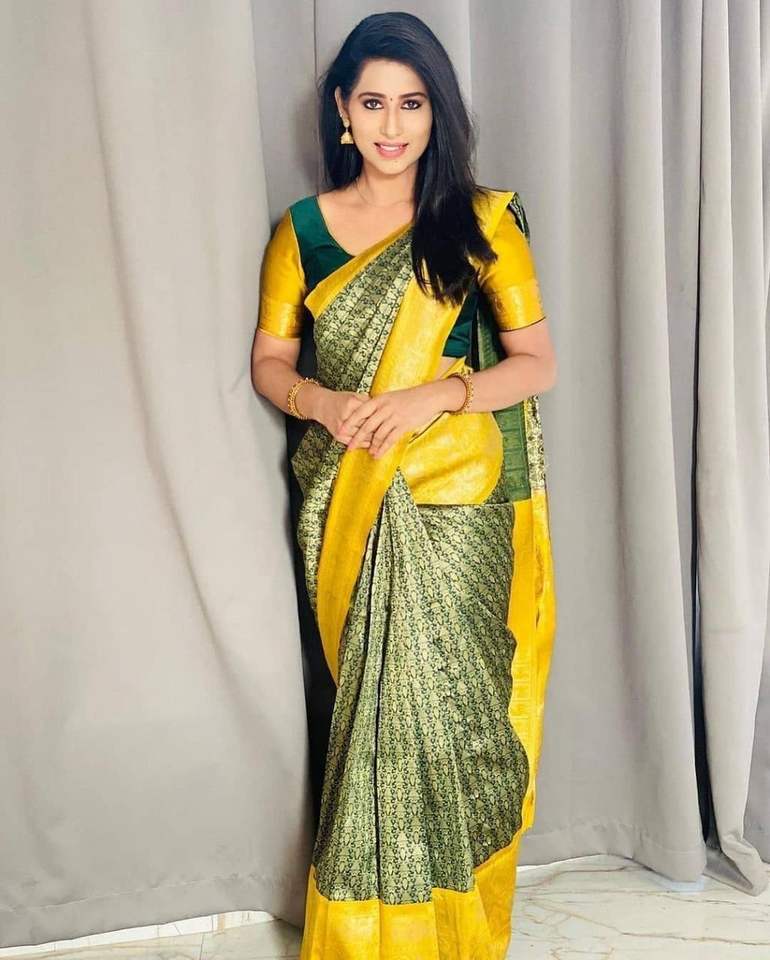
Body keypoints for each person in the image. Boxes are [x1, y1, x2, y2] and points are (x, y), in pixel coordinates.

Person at [251, 11, 557, 959]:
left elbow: (537, 363)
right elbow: (270, 360)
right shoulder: (302, 232)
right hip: (348, 496)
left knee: (459, 717)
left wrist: (438, 394)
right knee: (375, 724)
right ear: (343, 112)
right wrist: (320, 402)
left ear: (438, 114)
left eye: (413, 104)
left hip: (460, 500)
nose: (393, 125)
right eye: (374, 103)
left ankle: (459, 930)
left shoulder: (481, 223)